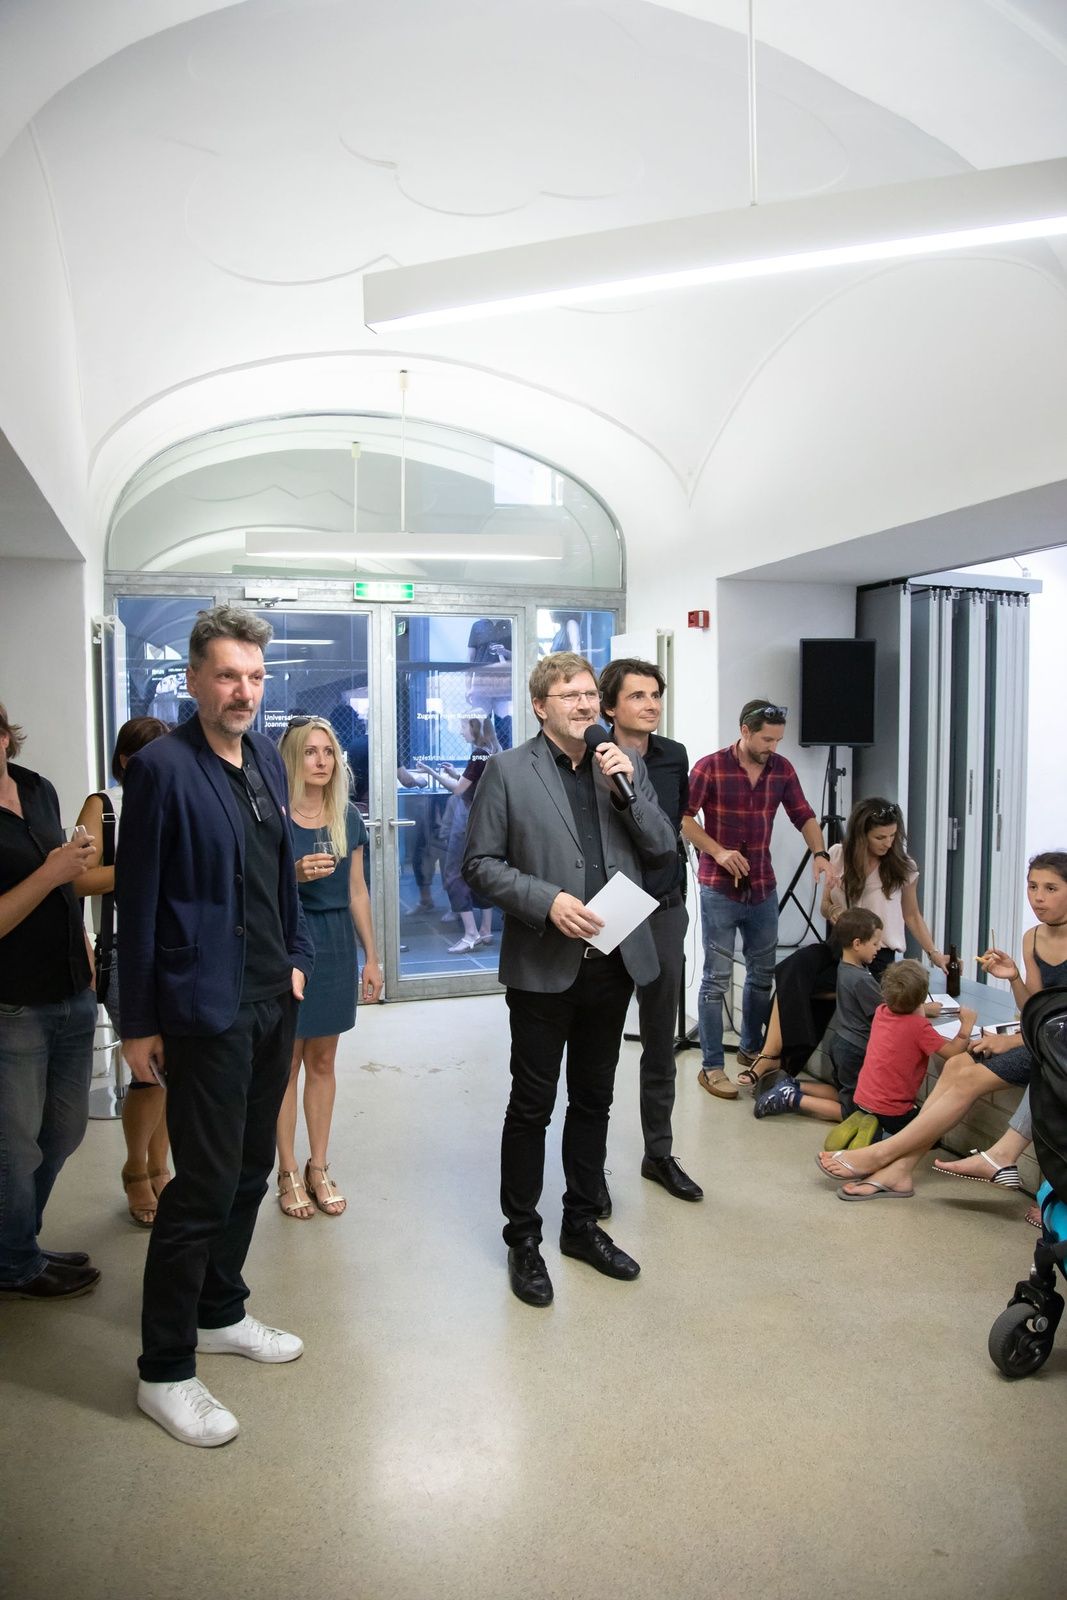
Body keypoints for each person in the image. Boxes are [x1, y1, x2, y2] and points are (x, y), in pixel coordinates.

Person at [117, 605, 315, 1447]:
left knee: (250, 1168)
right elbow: (137, 899)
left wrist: (298, 954)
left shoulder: (265, 755)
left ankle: (219, 1310)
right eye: (228, 675)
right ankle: (164, 1370)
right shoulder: (162, 768)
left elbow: (281, 869)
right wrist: (135, 1020)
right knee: (200, 1184)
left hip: (272, 996)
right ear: (194, 678)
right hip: (205, 1003)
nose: (243, 691)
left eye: (255, 676)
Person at [463, 651, 676, 1308]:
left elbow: (662, 847)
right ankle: (523, 1239)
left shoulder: (624, 764)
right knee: (531, 1106)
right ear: (539, 706)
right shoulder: (507, 771)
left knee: (593, 1101)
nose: (584, 705)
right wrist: (545, 900)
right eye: (569, 696)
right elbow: (480, 864)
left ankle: (581, 1225)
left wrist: (628, 788)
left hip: (612, 961)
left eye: (589, 694)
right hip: (542, 965)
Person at [817, 854, 1067, 1199]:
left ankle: (882, 1155)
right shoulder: (1033, 938)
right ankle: (900, 1171)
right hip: (1040, 1041)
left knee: (967, 1076)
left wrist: (1011, 1043)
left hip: (1054, 1051)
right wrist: (1013, 978)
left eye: (1051, 889)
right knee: (956, 1065)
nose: (1037, 897)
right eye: (1033, 887)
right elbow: (1036, 1012)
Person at [740, 795, 948, 1093]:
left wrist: (934, 953)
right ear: (861, 834)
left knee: (809, 986)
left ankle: (773, 1061)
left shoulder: (903, 867)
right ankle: (772, 1057)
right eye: (880, 837)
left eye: (892, 836)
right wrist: (837, 913)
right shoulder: (837, 855)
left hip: (875, 955)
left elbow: (912, 915)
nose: (888, 843)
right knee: (793, 967)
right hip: (839, 945)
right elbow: (825, 907)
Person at [682, 699, 831, 1100]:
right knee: (715, 980)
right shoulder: (710, 767)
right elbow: (684, 818)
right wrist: (717, 851)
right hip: (719, 888)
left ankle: (752, 1050)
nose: (773, 747)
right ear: (745, 731)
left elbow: (804, 814)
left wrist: (820, 853)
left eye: (778, 740)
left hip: (763, 887)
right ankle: (712, 1067)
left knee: (762, 976)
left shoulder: (781, 769)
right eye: (767, 739)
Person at [0, 702, 99, 1301]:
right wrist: (53, 871)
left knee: (63, 1130)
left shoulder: (36, 788)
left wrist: (83, 943)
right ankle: (15, 1261)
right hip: (13, 1001)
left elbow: (66, 885)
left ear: (5, 735)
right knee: (14, 1148)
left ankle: (17, 1245)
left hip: (70, 986)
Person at [598, 656, 702, 1202]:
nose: (651, 704)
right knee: (597, 1044)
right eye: (637, 695)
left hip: (662, 906)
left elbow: (670, 827)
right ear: (609, 707)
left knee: (660, 1042)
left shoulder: (673, 755)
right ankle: (589, 1170)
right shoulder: (588, 758)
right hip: (609, 908)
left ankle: (658, 1153)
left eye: (655, 694)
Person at [274, 716, 382, 1220]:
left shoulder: (346, 816)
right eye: (310, 752)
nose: (322, 762)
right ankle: (287, 1171)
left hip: (336, 942)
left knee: (323, 1060)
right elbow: (254, 888)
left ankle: (318, 1166)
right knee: (286, 1064)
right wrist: (292, 875)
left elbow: (357, 891)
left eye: (329, 752)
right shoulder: (274, 817)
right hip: (289, 941)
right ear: (291, 760)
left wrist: (372, 958)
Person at [73, 716, 171, 1226]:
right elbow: (77, 880)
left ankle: (161, 1167)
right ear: (125, 761)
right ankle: (136, 1169)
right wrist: (142, 865)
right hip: (124, 952)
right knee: (148, 1069)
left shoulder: (176, 801)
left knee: (176, 1068)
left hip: (177, 950)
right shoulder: (104, 806)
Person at [753, 907, 886, 1126]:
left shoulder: (844, 969)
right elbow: (884, 1009)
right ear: (857, 944)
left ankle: (790, 1084)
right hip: (854, 1050)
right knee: (853, 1110)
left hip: (841, 1045)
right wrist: (921, 1010)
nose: (879, 947)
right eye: (875, 943)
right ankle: (792, 1098)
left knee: (843, 1091)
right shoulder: (862, 980)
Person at [417, 716, 499, 955]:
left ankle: (470, 933)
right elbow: (475, 784)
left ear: (474, 728)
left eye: (463, 727)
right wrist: (455, 774)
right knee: (482, 871)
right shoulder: (492, 752)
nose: (461, 731)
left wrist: (431, 772)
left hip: (468, 823)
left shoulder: (478, 755)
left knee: (454, 873)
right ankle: (485, 929)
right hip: (485, 823)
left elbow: (458, 790)